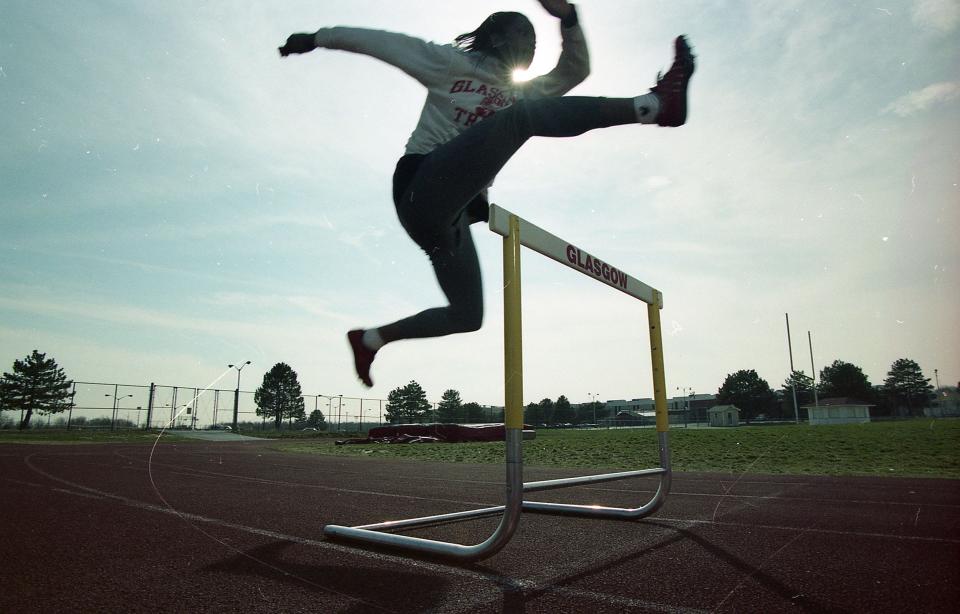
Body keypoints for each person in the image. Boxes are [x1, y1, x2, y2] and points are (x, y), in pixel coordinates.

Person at [279, 1, 695, 387]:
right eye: (524, 36)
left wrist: (567, 17)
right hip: (420, 185)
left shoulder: (525, 90)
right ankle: (655, 107)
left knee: (467, 314)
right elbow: (385, 44)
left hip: (449, 217)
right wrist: (318, 37)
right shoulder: (451, 63)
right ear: (497, 38)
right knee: (522, 117)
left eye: (536, 40)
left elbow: (574, 71)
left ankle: (370, 339)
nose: (533, 45)